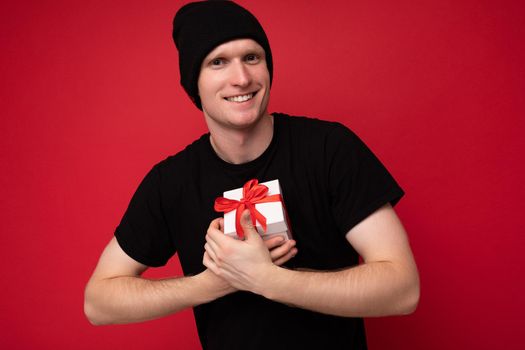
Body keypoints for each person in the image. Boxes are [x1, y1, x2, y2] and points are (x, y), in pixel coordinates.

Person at [84, 1, 420, 349]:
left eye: (252, 57)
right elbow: (99, 301)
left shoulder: (329, 148)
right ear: (193, 84)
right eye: (218, 62)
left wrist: (269, 280)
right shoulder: (172, 182)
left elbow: (402, 288)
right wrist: (213, 284)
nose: (242, 78)